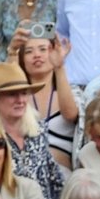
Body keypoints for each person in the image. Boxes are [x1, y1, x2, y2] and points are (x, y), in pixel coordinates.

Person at [0, 57, 58, 199]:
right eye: (12, 94)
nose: (21, 100)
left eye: (24, 93)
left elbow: (53, 176)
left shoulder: (39, 131)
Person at [12, 28, 71, 166]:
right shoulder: (15, 98)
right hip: (24, 172)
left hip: (63, 172)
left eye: (43, 49)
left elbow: (70, 115)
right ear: (22, 59)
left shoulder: (71, 92)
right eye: (29, 51)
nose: (37, 55)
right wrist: (12, 52)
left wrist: (59, 67)